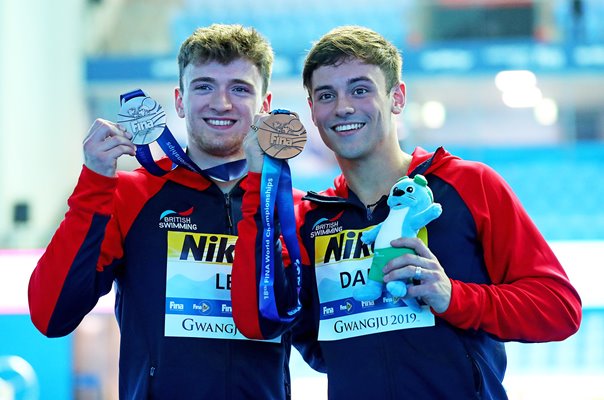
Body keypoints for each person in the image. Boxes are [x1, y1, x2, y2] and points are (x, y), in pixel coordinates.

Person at [231, 26, 582, 399]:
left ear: (397, 97)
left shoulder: (467, 184)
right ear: (313, 112)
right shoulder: (313, 218)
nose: (343, 106)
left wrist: (454, 298)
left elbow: (559, 308)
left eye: (360, 89)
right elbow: (311, 342)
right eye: (326, 95)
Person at [28, 24, 293, 399]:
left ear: (265, 104)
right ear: (180, 100)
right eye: (203, 86)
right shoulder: (131, 194)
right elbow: (50, 314)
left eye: (240, 88)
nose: (221, 102)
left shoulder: (287, 204)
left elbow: (321, 347)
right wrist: (93, 183)